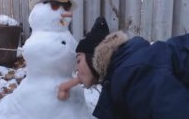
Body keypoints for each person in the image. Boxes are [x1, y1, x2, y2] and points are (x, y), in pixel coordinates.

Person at [57, 17, 189, 119]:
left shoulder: (134, 71)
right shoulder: (118, 77)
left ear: (92, 57)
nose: (76, 69)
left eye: (78, 60)